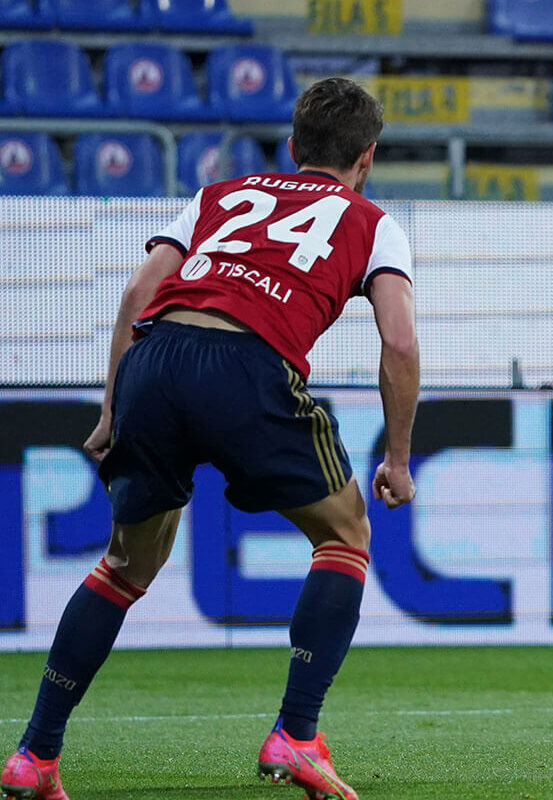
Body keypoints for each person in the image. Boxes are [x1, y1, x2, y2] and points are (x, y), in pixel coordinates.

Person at [1, 77, 418, 800]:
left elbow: (137, 297)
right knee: (345, 536)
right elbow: (401, 341)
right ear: (367, 158)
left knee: (124, 567)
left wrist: (109, 410)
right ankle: (296, 732)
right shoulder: (372, 220)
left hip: (155, 359)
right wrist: (400, 458)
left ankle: (35, 756)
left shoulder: (219, 195)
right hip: (248, 364)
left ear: (292, 148)